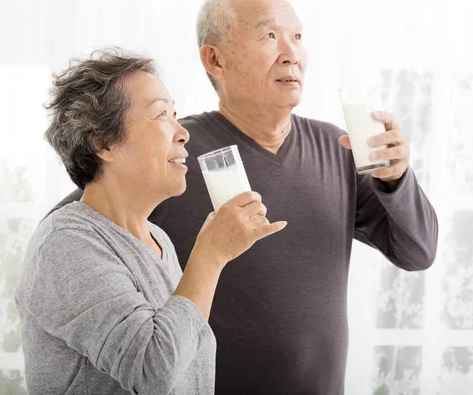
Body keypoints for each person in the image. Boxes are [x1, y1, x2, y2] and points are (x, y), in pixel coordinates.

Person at [52, 0, 438, 394]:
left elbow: (417, 252)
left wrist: (395, 179)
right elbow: (78, 232)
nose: (291, 52)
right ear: (214, 59)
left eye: (298, 37)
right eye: (270, 36)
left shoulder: (340, 149)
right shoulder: (172, 155)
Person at [15, 49, 286, 395]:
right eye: (161, 115)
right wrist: (212, 254)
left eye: (175, 113)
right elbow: (151, 371)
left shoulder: (158, 240)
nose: (182, 131)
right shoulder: (64, 243)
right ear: (103, 142)